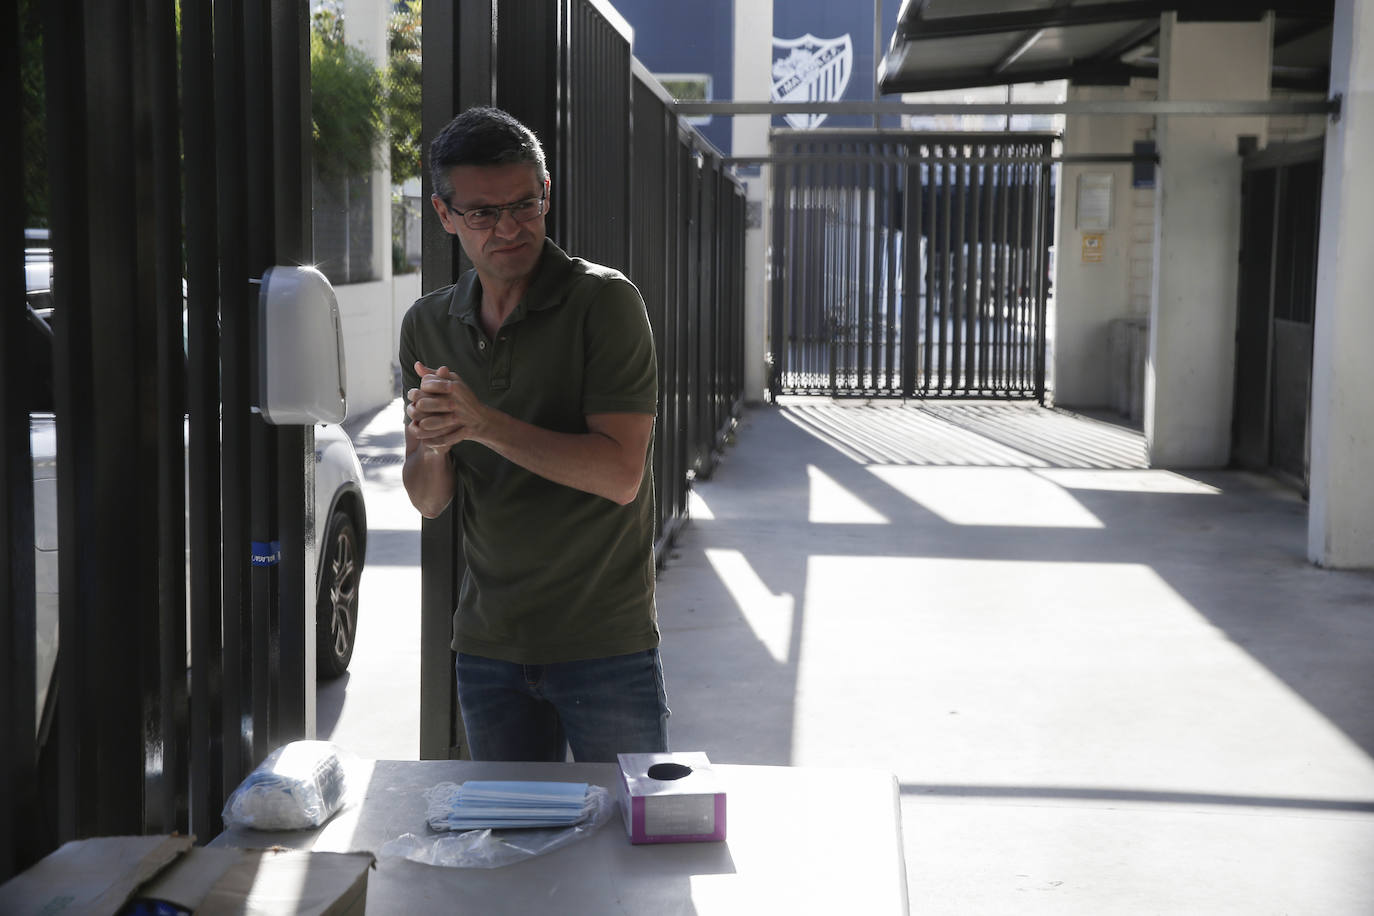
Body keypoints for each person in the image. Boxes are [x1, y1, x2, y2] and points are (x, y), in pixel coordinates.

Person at [399, 106, 668, 763]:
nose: (510, 227)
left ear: (545, 193)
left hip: (604, 641)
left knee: (629, 852)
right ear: (444, 215)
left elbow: (620, 475)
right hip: (489, 644)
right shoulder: (428, 325)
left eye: (524, 203)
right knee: (510, 849)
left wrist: (483, 422)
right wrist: (436, 440)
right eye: (482, 213)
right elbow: (430, 499)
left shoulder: (604, 303)